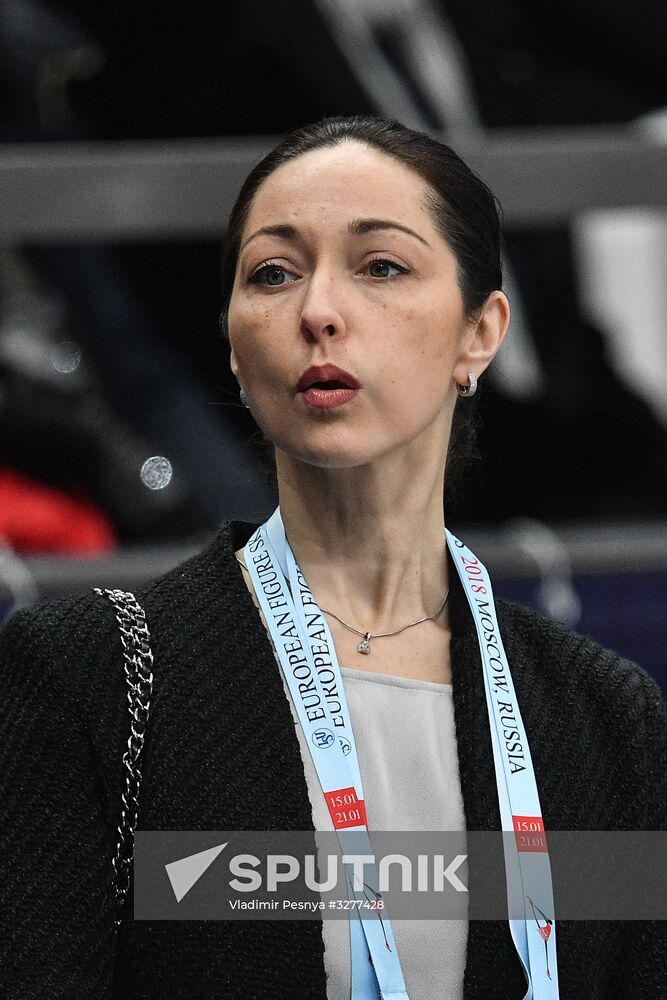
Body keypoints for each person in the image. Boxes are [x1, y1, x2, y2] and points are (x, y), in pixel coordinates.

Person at [0, 115, 665, 1000]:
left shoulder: (604, 718)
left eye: (380, 266)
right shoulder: (95, 678)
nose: (316, 311)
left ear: (479, 333)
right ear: (234, 345)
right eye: (272, 274)